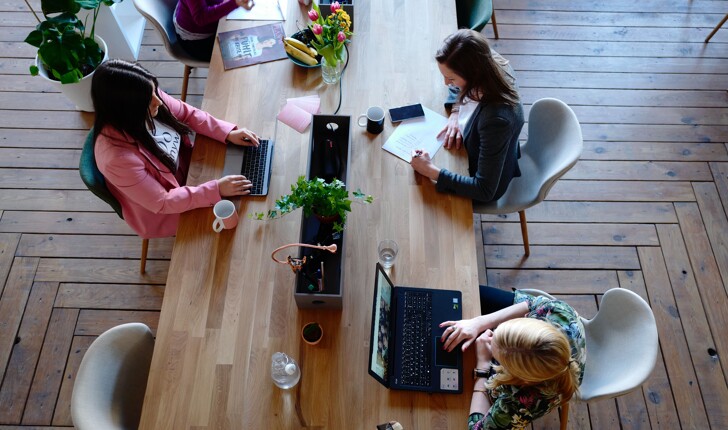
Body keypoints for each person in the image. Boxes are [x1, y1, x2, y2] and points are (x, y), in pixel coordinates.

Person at [91, 59, 260, 239]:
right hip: (165, 210)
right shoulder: (117, 160)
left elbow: (188, 114)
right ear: (127, 110)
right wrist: (215, 189)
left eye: (155, 91)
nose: (159, 101)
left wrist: (227, 133)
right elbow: (163, 202)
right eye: (150, 100)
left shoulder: (146, 96)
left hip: (190, 171)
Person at [440, 287, 586, 429]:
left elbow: (477, 429)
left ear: (518, 376)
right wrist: (478, 323)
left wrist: (483, 366)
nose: (489, 337)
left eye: (496, 357)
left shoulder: (521, 403)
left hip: (538, 389)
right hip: (555, 360)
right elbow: (530, 303)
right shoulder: (559, 312)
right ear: (529, 323)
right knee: (467, 293)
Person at [410, 29, 524, 203]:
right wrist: (456, 111)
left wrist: (431, 171)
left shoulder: (496, 121)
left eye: (451, 78)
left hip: (481, 180)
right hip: (474, 148)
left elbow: (484, 190)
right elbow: (459, 87)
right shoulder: (485, 60)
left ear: (473, 75)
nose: (446, 84)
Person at [174, 0, 255, 61]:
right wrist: (234, 3)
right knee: (242, 56)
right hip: (197, 42)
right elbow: (201, 17)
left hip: (213, 21)